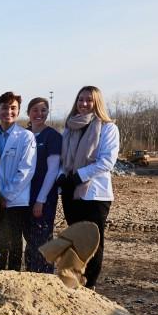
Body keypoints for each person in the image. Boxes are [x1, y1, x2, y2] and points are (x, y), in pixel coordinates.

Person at [58, 85, 120, 289]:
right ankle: (75, 278)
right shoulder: (69, 128)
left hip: (94, 194)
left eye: (89, 100)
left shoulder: (107, 127)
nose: (84, 104)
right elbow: (64, 158)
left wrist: (79, 176)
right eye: (80, 99)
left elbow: (106, 162)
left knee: (93, 241)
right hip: (71, 193)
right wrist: (63, 178)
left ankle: (90, 283)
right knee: (75, 238)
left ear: (97, 103)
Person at [0, 92, 36, 271]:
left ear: (18, 111)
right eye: (5, 107)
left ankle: (13, 277)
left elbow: (26, 170)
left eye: (13, 108)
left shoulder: (26, 137)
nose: (9, 111)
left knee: (15, 242)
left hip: (16, 200)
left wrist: (6, 195)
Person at [24, 97, 62, 273]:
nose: (39, 114)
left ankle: (45, 278)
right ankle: (30, 275)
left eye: (43, 110)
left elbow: (52, 170)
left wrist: (41, 200)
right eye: (35, 110)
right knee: (30, 241)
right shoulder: (24, 134)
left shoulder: (52, 137)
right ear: (28, 113)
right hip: (23, 196)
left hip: (42, 198)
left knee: (42, 240)